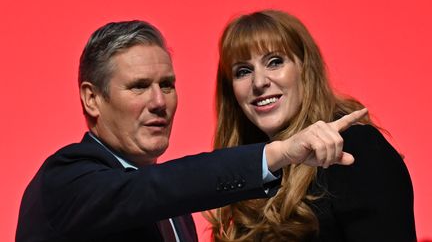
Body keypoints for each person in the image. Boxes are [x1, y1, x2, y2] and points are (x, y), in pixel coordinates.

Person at [16, 20, 367, 242]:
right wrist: (276, 153)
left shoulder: (174, 208)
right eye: (139, 86)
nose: (159, 102)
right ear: (92, 99)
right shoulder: (65, 183)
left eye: (167, 84)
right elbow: (152, 189)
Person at [207, 10, 416, 242]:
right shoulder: (244, 171)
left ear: (305, 68)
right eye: (243, 71)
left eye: (275, 62)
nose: (259, 82)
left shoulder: (354, 149)